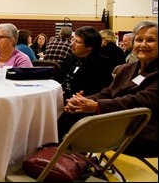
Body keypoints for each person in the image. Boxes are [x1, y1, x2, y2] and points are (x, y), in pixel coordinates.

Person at [58, 21, 157, 156]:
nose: (143, 44)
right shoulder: (127, 68)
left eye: (150, 40)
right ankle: (66, 162)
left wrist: (97, 105)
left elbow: (140, 100)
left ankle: (69, 160)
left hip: (142, 132)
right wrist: (82, 101)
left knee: (75, 130)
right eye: (139, 40)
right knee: (67, 117)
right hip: (116, 123)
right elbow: (109, 91)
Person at [55, 26, 113, 103]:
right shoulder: (70, 58)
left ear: (90, 47)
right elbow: (60, 79)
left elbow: (100, 91)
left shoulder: (102, 63)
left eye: (78, 42)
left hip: (85, 103)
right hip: (65, 99)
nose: (72, 44)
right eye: (73, 40)